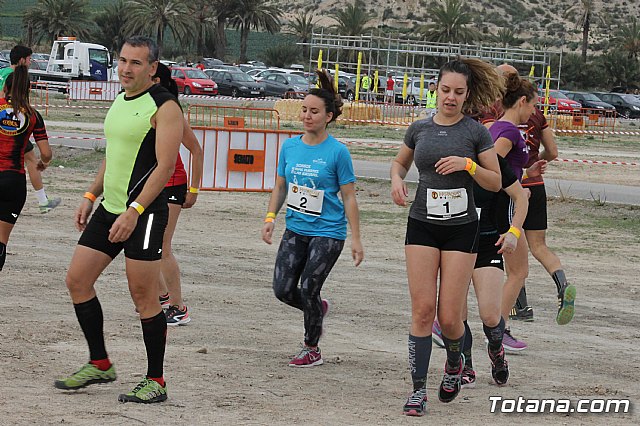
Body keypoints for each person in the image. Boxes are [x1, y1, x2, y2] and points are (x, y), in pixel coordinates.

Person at [54, 36, 184, 404]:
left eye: (136, 63)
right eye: (123, 61)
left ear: (152, 68)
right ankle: (100, 363)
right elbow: (114, 155)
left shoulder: (165, 106)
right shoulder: (119, 100)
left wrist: (135, 211)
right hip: (111, 209)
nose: (126, 69)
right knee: (77, 280)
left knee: (144, 296)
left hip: (142, 213)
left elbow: (165, 167)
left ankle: (156, 381)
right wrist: (89, 195)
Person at [390, 58, 502, 416]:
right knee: (423, 311)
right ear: (435, 90)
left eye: (458, 92)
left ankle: (456, 361)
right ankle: (418, 390)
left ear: (467, 95)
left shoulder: (475, 133)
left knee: (451, 318)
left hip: (461, 228)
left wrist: (468, 165)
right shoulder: (419, 128)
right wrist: (396, 179)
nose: (450, 98)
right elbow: (399, 163)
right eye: (445, 90)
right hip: (422, 224)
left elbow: (495, 182)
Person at [261, 69, 364, 368]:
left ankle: (311, 347)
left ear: (328, 116)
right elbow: (280, 185)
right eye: (304, 110)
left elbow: (349, 197)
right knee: (283, 290)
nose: (307, 116)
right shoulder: (290, 146)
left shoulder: (338, 152)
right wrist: (270, 217)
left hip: (329, 232)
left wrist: (356, 238)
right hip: (296, 228)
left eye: (314, 111)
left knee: (309, 287)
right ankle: (317, 307)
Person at [151, 62, 204, 325]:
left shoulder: (170, 111)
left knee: (162, 246)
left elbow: (196, 149)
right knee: (141, 244)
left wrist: (193, 190)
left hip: (172, 184)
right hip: (149, 185)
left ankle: (178, 306)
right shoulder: (136, 106)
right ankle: (161, 296)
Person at [0, 66, 53, 271]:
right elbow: (46, 152)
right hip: (14, 181)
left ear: (5, 88)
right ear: (28, 91)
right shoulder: (33, 115)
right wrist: (43, 163)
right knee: (2, 241)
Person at [1, 45, 60, 213]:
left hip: (11, 126)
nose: (30, 62)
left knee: (30, 160)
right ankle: (42, 202)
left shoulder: (2, 72)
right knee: (32, 161)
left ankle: (43, 201)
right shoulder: (10, 76)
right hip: (13, 129)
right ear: (21, 60)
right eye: (29, 59)